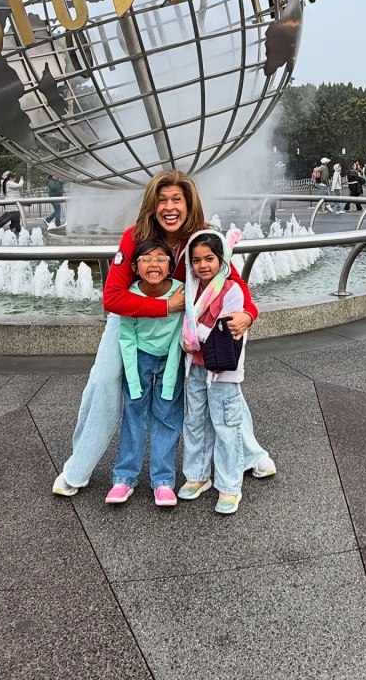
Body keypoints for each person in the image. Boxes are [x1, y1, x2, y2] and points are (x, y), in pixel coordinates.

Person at [53, 169, 274, 496]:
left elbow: (233, 283)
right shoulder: (134, 236)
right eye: (162, 200)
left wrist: (248, 314)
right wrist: (164, 306)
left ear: (189, 203)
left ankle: (250, 454)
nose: (169, 207)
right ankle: (78, 468)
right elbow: (112, 297)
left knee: (222, 384)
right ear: (152, 205)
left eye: (177, 199)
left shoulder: (202, 238)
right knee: (103, 379)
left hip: (183, 326)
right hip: (133, 321)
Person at [179, 229, 262, 515]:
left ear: (221, 259)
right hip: (195, 369)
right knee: (195, 421)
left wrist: (191, 333)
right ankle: (198, 475)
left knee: (226, 426)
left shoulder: (231, 290)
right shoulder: (189, 288)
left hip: (222, 372)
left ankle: (229, 486)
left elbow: (224, 331)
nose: (203, 265)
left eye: (209, 258)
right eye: (197, 260)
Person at [104, 238, 184, 507]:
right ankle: (124, 478)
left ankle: (163, 481)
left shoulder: (181, 292)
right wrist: (133, 377)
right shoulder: (131, 295)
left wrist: (172, 371)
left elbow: (179, 334)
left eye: (161, 258)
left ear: (171, 266)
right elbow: (126, 338)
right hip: (138, 360)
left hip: (171, 360)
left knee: (167, 416)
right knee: (133, 413)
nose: (154, 264)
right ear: (135, 267)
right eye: (146, 259)